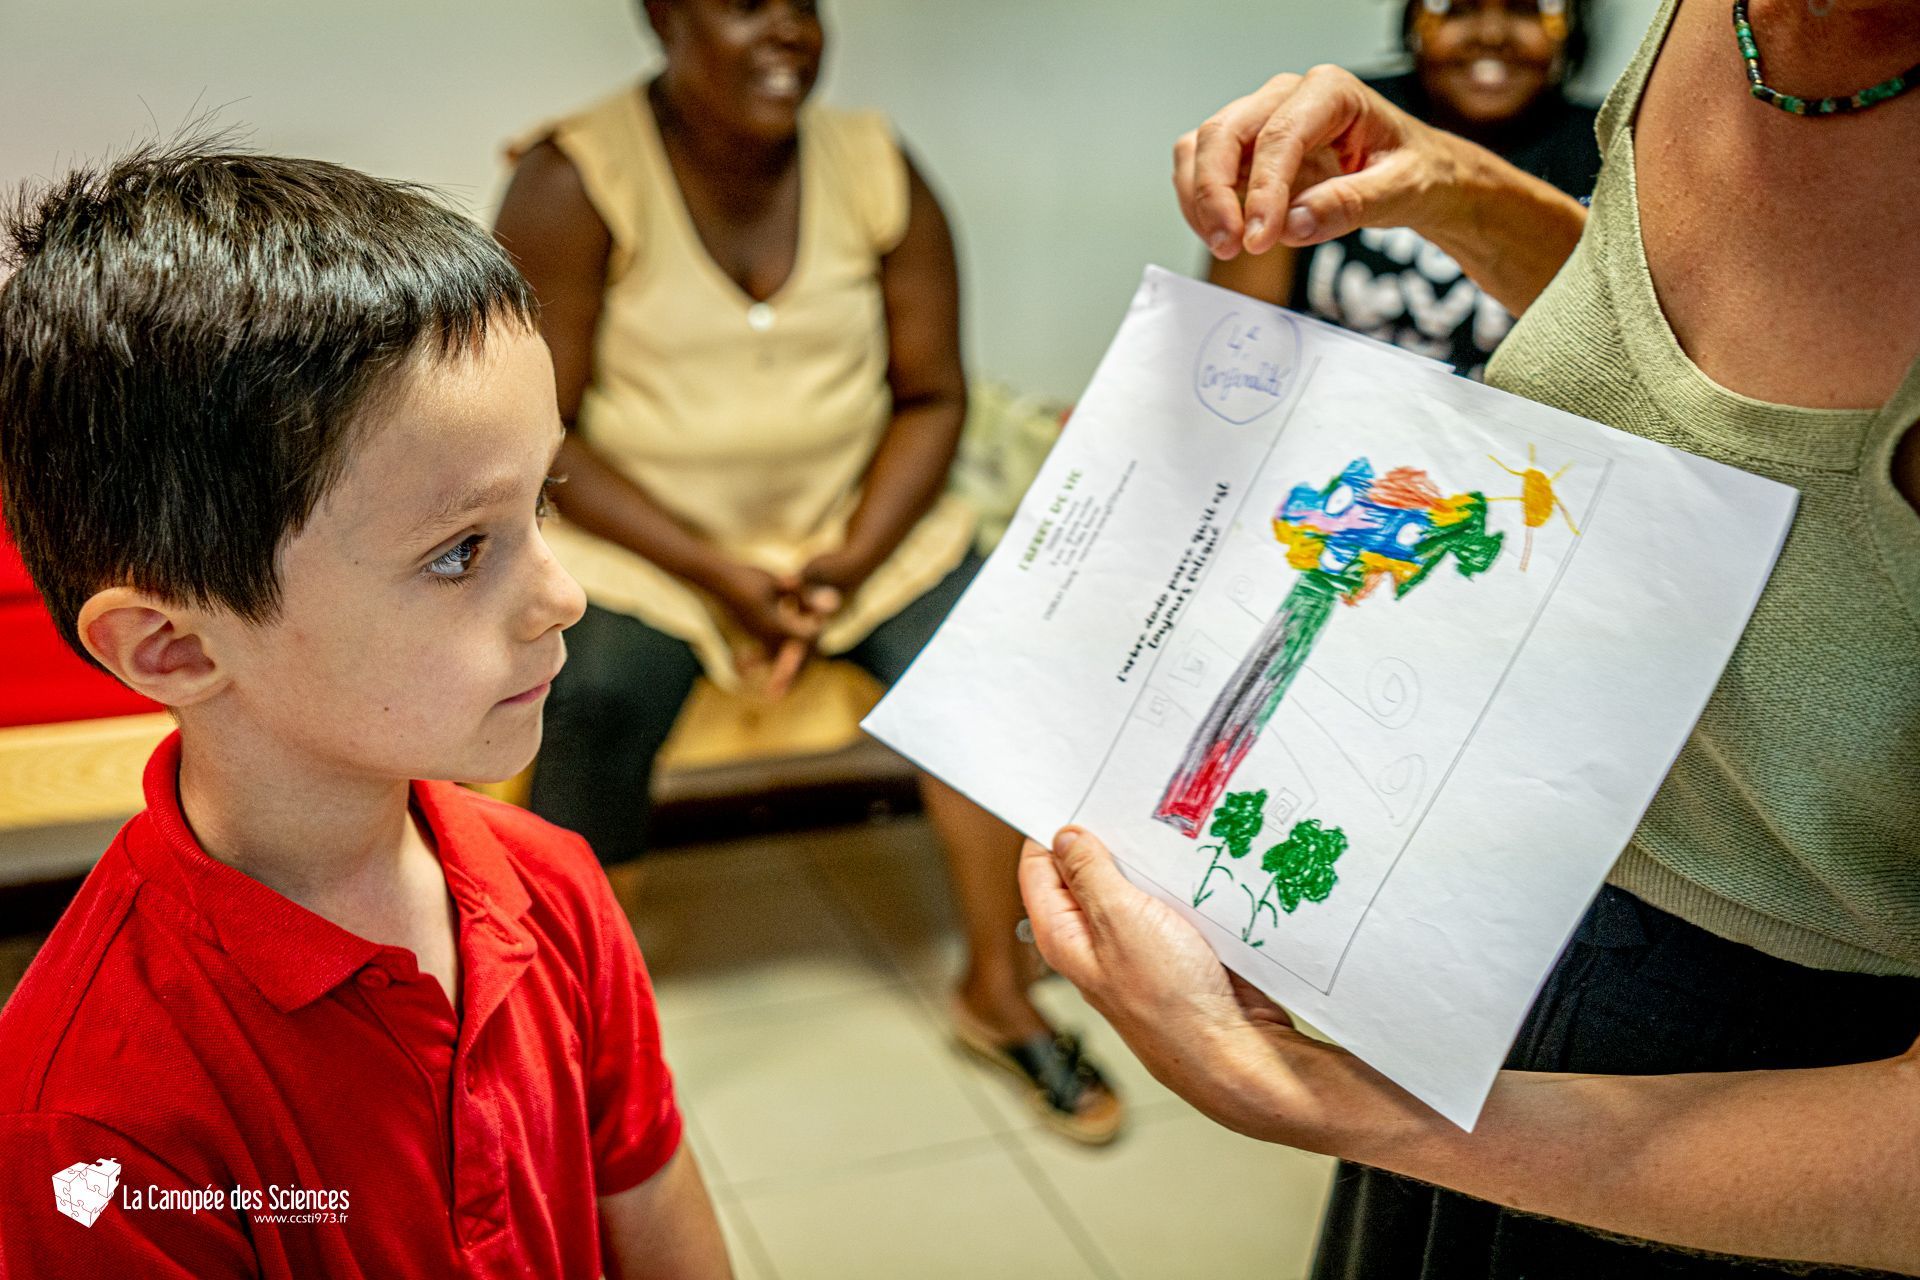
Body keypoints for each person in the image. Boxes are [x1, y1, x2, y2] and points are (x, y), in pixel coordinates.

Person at [1023, 0, 1920, 1274]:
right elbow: (1698, 382)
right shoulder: (1714, 27)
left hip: (1743, 1109)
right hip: (1482, 918)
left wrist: (1321, 1100)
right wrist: (1451, 188)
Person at [0, 144, 730, 1278]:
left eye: (542, 504)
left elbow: (653, 1203)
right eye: (459, 551)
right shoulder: (91, 1120)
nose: (563, 593)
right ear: (175, 645)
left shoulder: (559, 892)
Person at [492, 0, 1121, 1142]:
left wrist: (846, 562)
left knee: (984, 666)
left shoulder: (879, 167)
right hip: (652, 545)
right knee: (594, 694)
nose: (785, 28)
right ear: (663, 17)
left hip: (853, 531)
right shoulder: (572, 178)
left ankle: (998, 989)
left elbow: (933, 397)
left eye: (802, 2)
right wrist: (720, 573)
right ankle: (584, 1038)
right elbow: (542, 430)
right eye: (743, 3)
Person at [1209, 0, 1601, 378]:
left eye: (1525, 8)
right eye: (1456, 8)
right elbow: (1238, 329)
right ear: (1412, 16)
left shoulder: (1607, 151)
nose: (1491, 34)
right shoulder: (1338, 121)